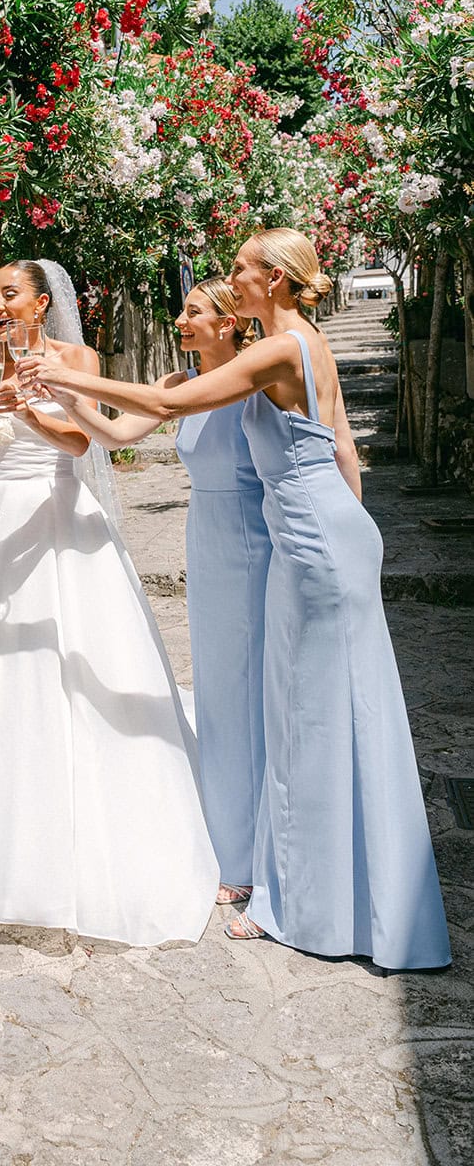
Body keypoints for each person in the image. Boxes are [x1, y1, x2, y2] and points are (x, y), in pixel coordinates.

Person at [24, 231, 451, 971]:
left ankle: (311, 905)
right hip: (325, 537)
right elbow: (342, 448)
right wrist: (356, 534)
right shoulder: (304, 343)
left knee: (310, 718)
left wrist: (66, 375)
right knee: (330, 713)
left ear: (275, 279)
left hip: (312, 544)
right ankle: (344, 894)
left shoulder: (280, 348)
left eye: (240, 271)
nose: (232, 280)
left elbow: (169, 399)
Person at [0, 260, 220, 946]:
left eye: (9, 294)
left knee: (61, 655)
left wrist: (26, 414)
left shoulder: (77, 360)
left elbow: (80, 441)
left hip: (55, 512)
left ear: (41, 303)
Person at [44, 276, 270, 907]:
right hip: (207, 538)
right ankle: (230, 836)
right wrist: (64, 398)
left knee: (252, 684)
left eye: (192, 312)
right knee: (220, 685)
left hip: (254, 538)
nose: (179, 321)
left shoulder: (255, 376)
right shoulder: (175, 380)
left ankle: (259, 847)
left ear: (227, 322)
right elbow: (117, 436)